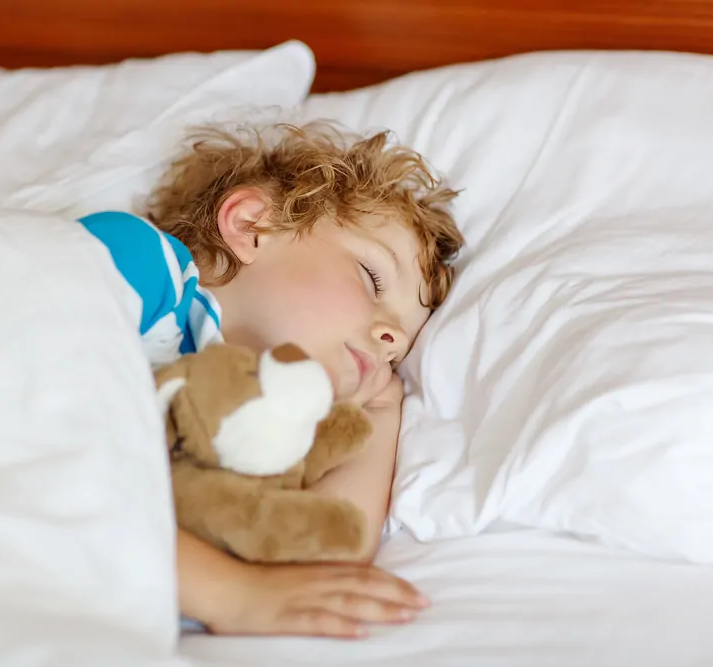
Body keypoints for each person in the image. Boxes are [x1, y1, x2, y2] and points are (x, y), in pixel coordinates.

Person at [81, 122, 464, 639]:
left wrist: (380, 413)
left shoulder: (268, 434)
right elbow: (36, 444)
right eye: (373, 279)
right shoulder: (137, 265)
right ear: (251, 225)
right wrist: (230, 593)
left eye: (401, 351)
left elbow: (317, 555)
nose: (392, 338)